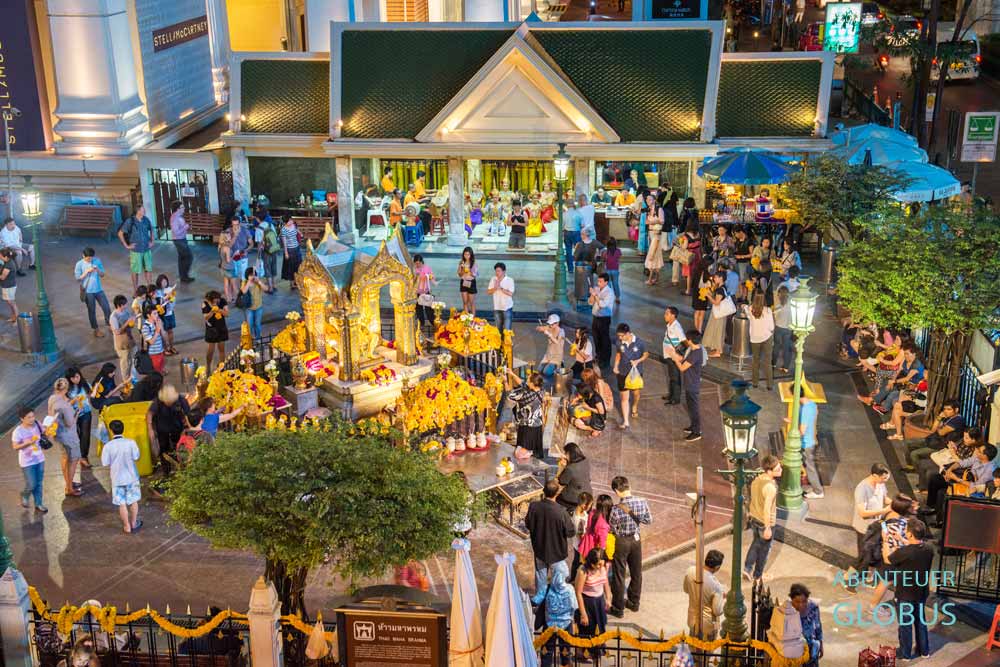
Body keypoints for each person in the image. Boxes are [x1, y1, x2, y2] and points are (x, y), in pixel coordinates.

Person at [887, 519, 934, 660]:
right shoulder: (929, 549)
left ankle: (905, 653)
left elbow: (889, 559)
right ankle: (924, 651)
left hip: (905, 594)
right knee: (920, 621)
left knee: (906, 624)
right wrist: (902, 539)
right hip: (921, 592)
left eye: (906, 530)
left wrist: (886, 542)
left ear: (911, 534)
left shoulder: (904, 552)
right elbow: (914, 549)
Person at [526, 479, 576, 604]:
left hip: (540, 550)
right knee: (560, 579)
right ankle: (556, 602)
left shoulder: (534, 506)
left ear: (544, 491)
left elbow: (528, 524)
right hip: (557, 553)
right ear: (557, 493)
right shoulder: (562, 512)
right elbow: (570, 532)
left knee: (541, 578)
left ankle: (540, 602)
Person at [608, 476, 651, 617]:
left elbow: (612, 528)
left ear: (616, 491)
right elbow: (648, 520)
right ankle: (634, 603)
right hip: (636, 540)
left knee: (619, 575)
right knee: (636, 572)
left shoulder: (616, 509)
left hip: (621, 541)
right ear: (628, 487)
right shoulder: (642, 501)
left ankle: (618, 608)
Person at [922, 443, 997, 524]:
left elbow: (976, 486)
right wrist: (950, 470)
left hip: (972, 490)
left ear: (985, 456)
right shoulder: (977, 458)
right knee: (935, 478)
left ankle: (941, 521)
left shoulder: (990, 470)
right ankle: (932, 507)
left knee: (942, 493)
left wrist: (956, 479)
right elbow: (961, 463)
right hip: (963, 480)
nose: (977, 452)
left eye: (979, 451)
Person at [744, 454, 782, 582]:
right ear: (769, 471)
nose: (781, 470)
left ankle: (747, 568)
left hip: (754, 518)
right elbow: (767, 509)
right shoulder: (770, 488)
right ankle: (758, 575)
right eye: (778, 469)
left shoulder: (757, 479)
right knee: (764, 549)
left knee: (755, 544)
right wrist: (767, 528)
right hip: (765, 521)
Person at [101, 419, 142, 534]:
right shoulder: (131, 442)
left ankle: (126, 526)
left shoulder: (108, 446)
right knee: (133, 501)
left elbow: (105, 462)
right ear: (123, 429)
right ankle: (134, 523)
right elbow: (136, 457)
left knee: (122, 503)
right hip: (132, 477)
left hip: (117, 478)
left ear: (111, 430)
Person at [665, 330, 706, 443]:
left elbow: (682, 368)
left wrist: (674, 357)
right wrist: (676, 356)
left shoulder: (695, 353)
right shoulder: (694, 350)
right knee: (691, 407)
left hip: (692, 385)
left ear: (690, 340)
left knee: (694, 409)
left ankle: (697, 432)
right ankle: (693, 426)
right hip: (690, 383)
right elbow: (684, 361)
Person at [853, 463, 892, 571]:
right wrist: (884, 510)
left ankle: (867, 573)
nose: (885, 481)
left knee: (874, 553)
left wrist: (896, 504)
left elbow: (885, 499)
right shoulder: (862, 488)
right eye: (883, 478)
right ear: (875, 475)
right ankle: (850, 579)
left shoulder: (880, 484)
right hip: (864, 528)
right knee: (863, 556)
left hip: (876, 525)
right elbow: (862, 513)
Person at [574, 547, 611, 661]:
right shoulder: (583, 571)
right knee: (586, 630)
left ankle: (597, 652)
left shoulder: (603, 568)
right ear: (591, 563)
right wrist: (583, 613)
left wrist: (608, 598)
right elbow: (578, 593)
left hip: (599, 602)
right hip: (587, 602)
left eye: (601, 564)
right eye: (597, 565)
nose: (600, 567)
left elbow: (605, 583)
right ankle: (582, 653)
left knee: (600, 627)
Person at [49, 377, 83, 497]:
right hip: (69, 437)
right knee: (73, 460)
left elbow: (56, 414)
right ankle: (69, 488)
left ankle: (69, 482)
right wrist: (77, 413)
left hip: (58, 434)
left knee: (64, 457)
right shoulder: (64, 406)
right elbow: (70, 423)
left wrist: (72, 402)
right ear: (67, 388)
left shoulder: (52, 399)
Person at [540, 561, 577, 667]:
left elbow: (536, 600)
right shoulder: (570, 589)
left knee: (546, 653)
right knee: (565, 654)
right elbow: (574, 607)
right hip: (566, 625)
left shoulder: (547, 588)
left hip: (549, 625)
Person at [147, 384, 190, 475]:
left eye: (170, 402)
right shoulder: (158, 401)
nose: (168, 404)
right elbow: (150, 414)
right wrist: (150, 429)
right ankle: (166, 470)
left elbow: (188, 415)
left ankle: (180, 467)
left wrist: (187, 429)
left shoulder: (181, 399)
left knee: (178, 447)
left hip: (177, 428)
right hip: (162, 428)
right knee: (163, 448)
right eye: (166, 402)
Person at [683, 549, 725, 640]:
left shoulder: (690, 571)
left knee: (693, 646)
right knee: (707, 652)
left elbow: (686, 589)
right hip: (708, 625)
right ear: (717, 567)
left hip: (692, 620)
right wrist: (723, 599)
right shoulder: (716, 586)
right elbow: (717, 611)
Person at [12, 406, 48, 513]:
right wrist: (27, 443)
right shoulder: (18, 431)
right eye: (29, 417)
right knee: (32, 483)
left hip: (39, 458)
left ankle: (39, 504)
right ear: (22, 419)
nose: (32, 419)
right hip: (27, 462)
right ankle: (25, 494)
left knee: (39, 483)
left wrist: (48, 431)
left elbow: (44, 435)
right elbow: (15, 447)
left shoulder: (37, 424)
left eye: (33, 416)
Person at [613, 323, 647, 430]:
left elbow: (646, 354)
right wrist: (615, 365)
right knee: (624, 398)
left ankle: (635, 405)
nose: (620, 338)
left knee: (636, 393)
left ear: (628, 333)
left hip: (635, 373)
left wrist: (638, 361)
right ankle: (626, 421)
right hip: (622, 373)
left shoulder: (640, 342)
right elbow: (618, 354)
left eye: (622, 336)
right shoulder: (619, 343)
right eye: (619, 336)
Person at [72, 247, 111, 338]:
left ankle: (109, 325)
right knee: (92, 311)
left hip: (98, 289)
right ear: (83, 256)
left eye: (91, 257)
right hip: (88, 292)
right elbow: (78, 278)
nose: (90, 259)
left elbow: (102, 275)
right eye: (88, 258)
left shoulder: (97, 261)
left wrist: (97, 270)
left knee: (106, 307)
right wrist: (86, 272)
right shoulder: (79, 264)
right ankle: (96, 330)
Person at [506, 369, 545, 458]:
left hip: (528, 427)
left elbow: (510, 395)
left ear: (532, 384)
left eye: (528, 380)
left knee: (522, 453)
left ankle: (528, 462)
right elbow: (523, 384)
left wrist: (505, 381)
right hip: (537, 424)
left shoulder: (528, 396)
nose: (526, 381)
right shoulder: (541, 389)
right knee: (533, 451)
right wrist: (512, 374)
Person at [119, 205, 155, 291]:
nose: (144, 211)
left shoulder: (146, 220)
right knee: (135, 271)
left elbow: (152, 230)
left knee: (148, 269)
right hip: (136, 251)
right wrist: (126, 245)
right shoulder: (130, 221)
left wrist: (152, 241)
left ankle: (150, 288)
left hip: (146, 249)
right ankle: (136, 290)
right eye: (143, 210)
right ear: (138, 211)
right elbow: (120, 233)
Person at [744, 291, 775, 389]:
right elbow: (772, 327)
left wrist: (744, 306)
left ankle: (755, 383)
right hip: (766, 337)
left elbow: (746, 311)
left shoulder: (750, 309)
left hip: (755, 338)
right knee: (768, 362)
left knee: (755, 361)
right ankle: (769, 385)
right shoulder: (768, 310)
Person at [66, 367, 94, 469]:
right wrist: (74, 400)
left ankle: (83, 456)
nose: (75, 379)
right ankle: (76, 454)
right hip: (74, 414)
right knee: (77, 435)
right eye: (73, 378)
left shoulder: (84, 384)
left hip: (86, 412)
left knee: (85, 434)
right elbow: (66, 404)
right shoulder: (67, 389)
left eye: (77, 376)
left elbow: (91, 394)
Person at [797, 396, 824, 499]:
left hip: (806, 443)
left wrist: (793, 437)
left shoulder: (804, 409)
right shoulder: (812, 404)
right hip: (811, 441)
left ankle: (818, 491)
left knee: (810, 467)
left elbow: (802, 430)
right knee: (808, 465)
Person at [589, 273, 615, 369]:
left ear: (606, 282)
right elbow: (590, 302)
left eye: (600, 281)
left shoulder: (609, 292)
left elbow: (602, 305)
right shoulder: (597, 289)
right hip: (595, 317)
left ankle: (605, 360)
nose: (598, 283)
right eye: (598, 281)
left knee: (604, 340)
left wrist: (596, 295)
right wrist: (592, 295)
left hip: (604, 318)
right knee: (596, 338)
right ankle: (598, 356)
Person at [556, 443, 592, 511]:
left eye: (566, 453)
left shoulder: (570, 469)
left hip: (575, 497)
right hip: (588, 493)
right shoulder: (586, 460)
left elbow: (562, 481)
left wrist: (563, 467)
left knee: (557, 498)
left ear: (569, 454)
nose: (565, 456)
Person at [702, 271, 730, 358]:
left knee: (718, 330)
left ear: (721, 278)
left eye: (716, 277)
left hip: (719, 314)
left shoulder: (720, 289)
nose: (714, 278)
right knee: (719, 330)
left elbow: (716, 302)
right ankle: (718, 349)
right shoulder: (722, 287)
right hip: (720, 313)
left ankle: (718, 351)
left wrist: (708, 296)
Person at [662, 306, 686, 405]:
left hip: (673, 357)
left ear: (673, 315)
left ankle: (675, 399)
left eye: (667, 314)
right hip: (668, 355)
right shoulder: (669, 324)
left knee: (675, 377)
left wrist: (676, 354)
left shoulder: (677, 327)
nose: (664, 315)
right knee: (671, 376)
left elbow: (684, 342)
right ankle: (671, 394)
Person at [202, 290, 230, 370]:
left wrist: (219, 310)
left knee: (221, 348)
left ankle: (222, 367)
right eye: (215, 299)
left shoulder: (222, 301)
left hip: (221, 327)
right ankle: (208, 366)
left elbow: (227, 314)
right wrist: (212, 311)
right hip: (211, 329)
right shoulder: (205, 303)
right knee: (211, 349)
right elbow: (205, 317)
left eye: (218, 299)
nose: (217, 301)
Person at [109, 295, 135, 381]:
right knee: (125, 363)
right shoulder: (113, 317)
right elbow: (117, 332)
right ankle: (126, 381)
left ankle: (131, 377)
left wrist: (132, 323)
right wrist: (127, 323)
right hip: (121, 343)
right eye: (124, 304)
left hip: (129, 340)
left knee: (133, 360)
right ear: (119, 305)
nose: (126, 306)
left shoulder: (126, 312)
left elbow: (130, 325)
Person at [537, 314, 566, 391]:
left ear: (557, 323)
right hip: (548, 354)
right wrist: (541, 328)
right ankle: (544, 384)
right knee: (539, 370)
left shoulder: (561, 332)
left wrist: (549, 334)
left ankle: (551, 384)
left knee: (546, 372)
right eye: (549, 324)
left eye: (552, 324)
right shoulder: (550, 327)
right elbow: (540, 328)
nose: (550, 325)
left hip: (557, 356)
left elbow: (557, 342)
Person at [169, 201, 194, 283]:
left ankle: (183, 277)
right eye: (182, 207)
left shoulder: (178, 216)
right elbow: (176, 232)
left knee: (182, 258)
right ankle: (184, 276)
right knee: (189, 257)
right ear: (178, 209)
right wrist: (185, 227)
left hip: (182, 239)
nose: (184, 208)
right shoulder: (175, 218)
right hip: (179, 240)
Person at [153, 274, 178, 355]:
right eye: (162, 282)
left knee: (170, 331)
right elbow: (158, 303)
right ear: (159, 282)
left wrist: (171, 300)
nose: (164, 283)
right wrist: (165, 298)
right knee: (162, 333)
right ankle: (164, 348)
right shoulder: (157, 292)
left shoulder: (169, 289)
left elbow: (174, 303)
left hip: (170, 313)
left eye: (165, 281)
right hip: (162, 315)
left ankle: (171, 347)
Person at [488, 262, 515, 332]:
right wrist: (495, 288)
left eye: (499, 271)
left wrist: (500, 288)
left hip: (507, 308)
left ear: (504, 271)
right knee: (498, 328)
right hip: (497, 307)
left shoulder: (510, 280)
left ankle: (507, 342)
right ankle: (500, 342)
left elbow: (510, 293)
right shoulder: (493, 279)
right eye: (496, 271)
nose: (497, 273)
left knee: (507, 330)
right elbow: (488, 292)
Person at [140, 304, 166, 374]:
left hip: (160, 351)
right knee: (155, 374)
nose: (157, 315)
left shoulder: (157, 322)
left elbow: (163, 335)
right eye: (154, 313)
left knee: (160, 371)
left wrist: (161, 327)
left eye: (157, 313)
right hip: (153, 355)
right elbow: (151, 342)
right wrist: (157, 330)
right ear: (148, 315)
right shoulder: (145, 327)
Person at [413, 254, 437, 330]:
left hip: (425, 291)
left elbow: (432, 277)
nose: (417, 265)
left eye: (418, 263)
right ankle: (421, 323)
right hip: (417, 292)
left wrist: (431, 278)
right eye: (416, 263)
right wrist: (416, 276)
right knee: (418, 309)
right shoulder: (413, 269)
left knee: (428, 308)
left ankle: (433, 323)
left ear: (422, 262)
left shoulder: (427, 268)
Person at [644, 198, 664, 286]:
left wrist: (653, 221)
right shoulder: (649, 210)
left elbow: (662, 221)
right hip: (651, 234)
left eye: (650, 200)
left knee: (652, 255)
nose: (648, 201)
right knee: (655, 256)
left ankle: (650, 279)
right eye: (647, 200)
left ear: (654, 200)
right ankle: (656, 278)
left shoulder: (659, 209)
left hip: (656, 235)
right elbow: (646, 222)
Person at [772, 287, 793, 373]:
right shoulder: (791, 304)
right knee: (786, 348)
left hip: (778, 327)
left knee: (776, 346)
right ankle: (786, 367)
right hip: (788, 329)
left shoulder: (778, 306)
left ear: (780, 294)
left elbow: (774, 316)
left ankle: (773, 363)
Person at [240, 267, 265, 339]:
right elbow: (243, 291)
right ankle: (250, 339)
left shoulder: (258, 281)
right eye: (250, 275)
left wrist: (259, 282)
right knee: (250, 325)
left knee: (257, 324)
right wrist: (248, 282)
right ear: (247, 276)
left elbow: (266, 289)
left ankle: (258, 338)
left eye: (253, 275)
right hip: (249, 308)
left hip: (258, 307)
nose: (252, 277)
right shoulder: (244, 282)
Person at [280, 215, 303, 288]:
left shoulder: (293, 225)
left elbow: (297, 231)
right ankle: (292, 283)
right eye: (290, 220)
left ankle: (296, 281)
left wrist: (300, 234)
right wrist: (286, 253)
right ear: (286, 222)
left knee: (298, 265)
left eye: (291, 220)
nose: (291, 221)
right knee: (291, 267)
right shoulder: (283, 230)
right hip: (290, 250)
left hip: (297, 248)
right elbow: (284, 243)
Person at [562, 199, 582, 274]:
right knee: (578, 251)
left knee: (568, 251)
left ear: (567, 205)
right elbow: (582, 224)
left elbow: (562, 226)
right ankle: (578, 266)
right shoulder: (578, 213)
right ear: (574, 204)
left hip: (567, 233)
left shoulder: (564, 214)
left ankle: (570, 269)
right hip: (576, 232)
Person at [457, 247, 478, 313]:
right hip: (464, 282)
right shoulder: (461, 262)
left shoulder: (474, 263)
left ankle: (473, 319)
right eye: (465, 254)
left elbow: (475, 275)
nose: (466, 256)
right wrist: (462, 269)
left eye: (468, 254)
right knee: (465, 302)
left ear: (471, 255)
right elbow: (459, 274)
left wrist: (469, 270)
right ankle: (466, 319)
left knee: (471, 302)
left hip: (471, 282)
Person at [0, 248, 17, 323]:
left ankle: (16, 319)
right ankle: (13, 317)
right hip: (8, 285)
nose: (0, 257)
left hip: (9, 286)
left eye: (0, 256)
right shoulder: (8, 262)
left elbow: (2, 277)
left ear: (6, 257)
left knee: (12, 303)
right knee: (10, 303)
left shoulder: (8, 265)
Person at [605, 237, 622, 302]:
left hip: (608, 269)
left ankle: (609, 297)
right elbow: (619, 258)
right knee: (615, 284)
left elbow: (604, 259)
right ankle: (617, 297)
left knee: (608, 284)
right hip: (615, 270)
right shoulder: (618, 251)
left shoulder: (606, 251)